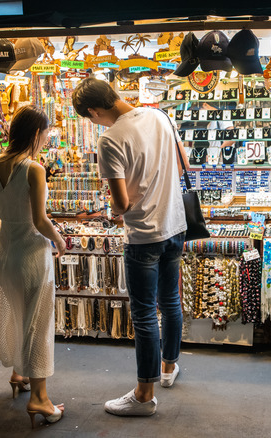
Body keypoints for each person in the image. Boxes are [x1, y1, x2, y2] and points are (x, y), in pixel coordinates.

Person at [72, 78, 187, 416]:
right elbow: (184, 167)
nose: (95, 123)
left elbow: (121, 203)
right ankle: (168, 369)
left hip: (144, 235)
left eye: (91, 118)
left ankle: (144, 394)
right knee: (170, 301)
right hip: (175, 225)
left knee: (144, 313)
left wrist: (108, 211)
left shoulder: (109, 140)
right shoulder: (160, 117)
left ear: (94, 111)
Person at [0, 105, 67, 428]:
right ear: (36, 134)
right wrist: (59, 239)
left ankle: (19, 373)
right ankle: (40, 399)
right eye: (45, 134)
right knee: (38, 325)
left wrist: (9, 230)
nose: (46, 140)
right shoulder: (33, 169)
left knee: (18, 316)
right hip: (31, 257)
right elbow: (40, 221)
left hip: (4, 257)